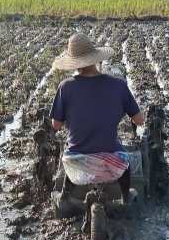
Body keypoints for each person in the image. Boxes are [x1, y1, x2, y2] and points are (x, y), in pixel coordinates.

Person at [49, 33, 144, 206]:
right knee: (126, 161)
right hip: (113, 165)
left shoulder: (65, 87)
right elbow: (139, 120)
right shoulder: (119, 85)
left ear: (74, 63)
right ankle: (125, 197)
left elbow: (56, 124)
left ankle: (64, 198)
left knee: (70, 149)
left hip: (76, 165)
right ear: (95, 59)